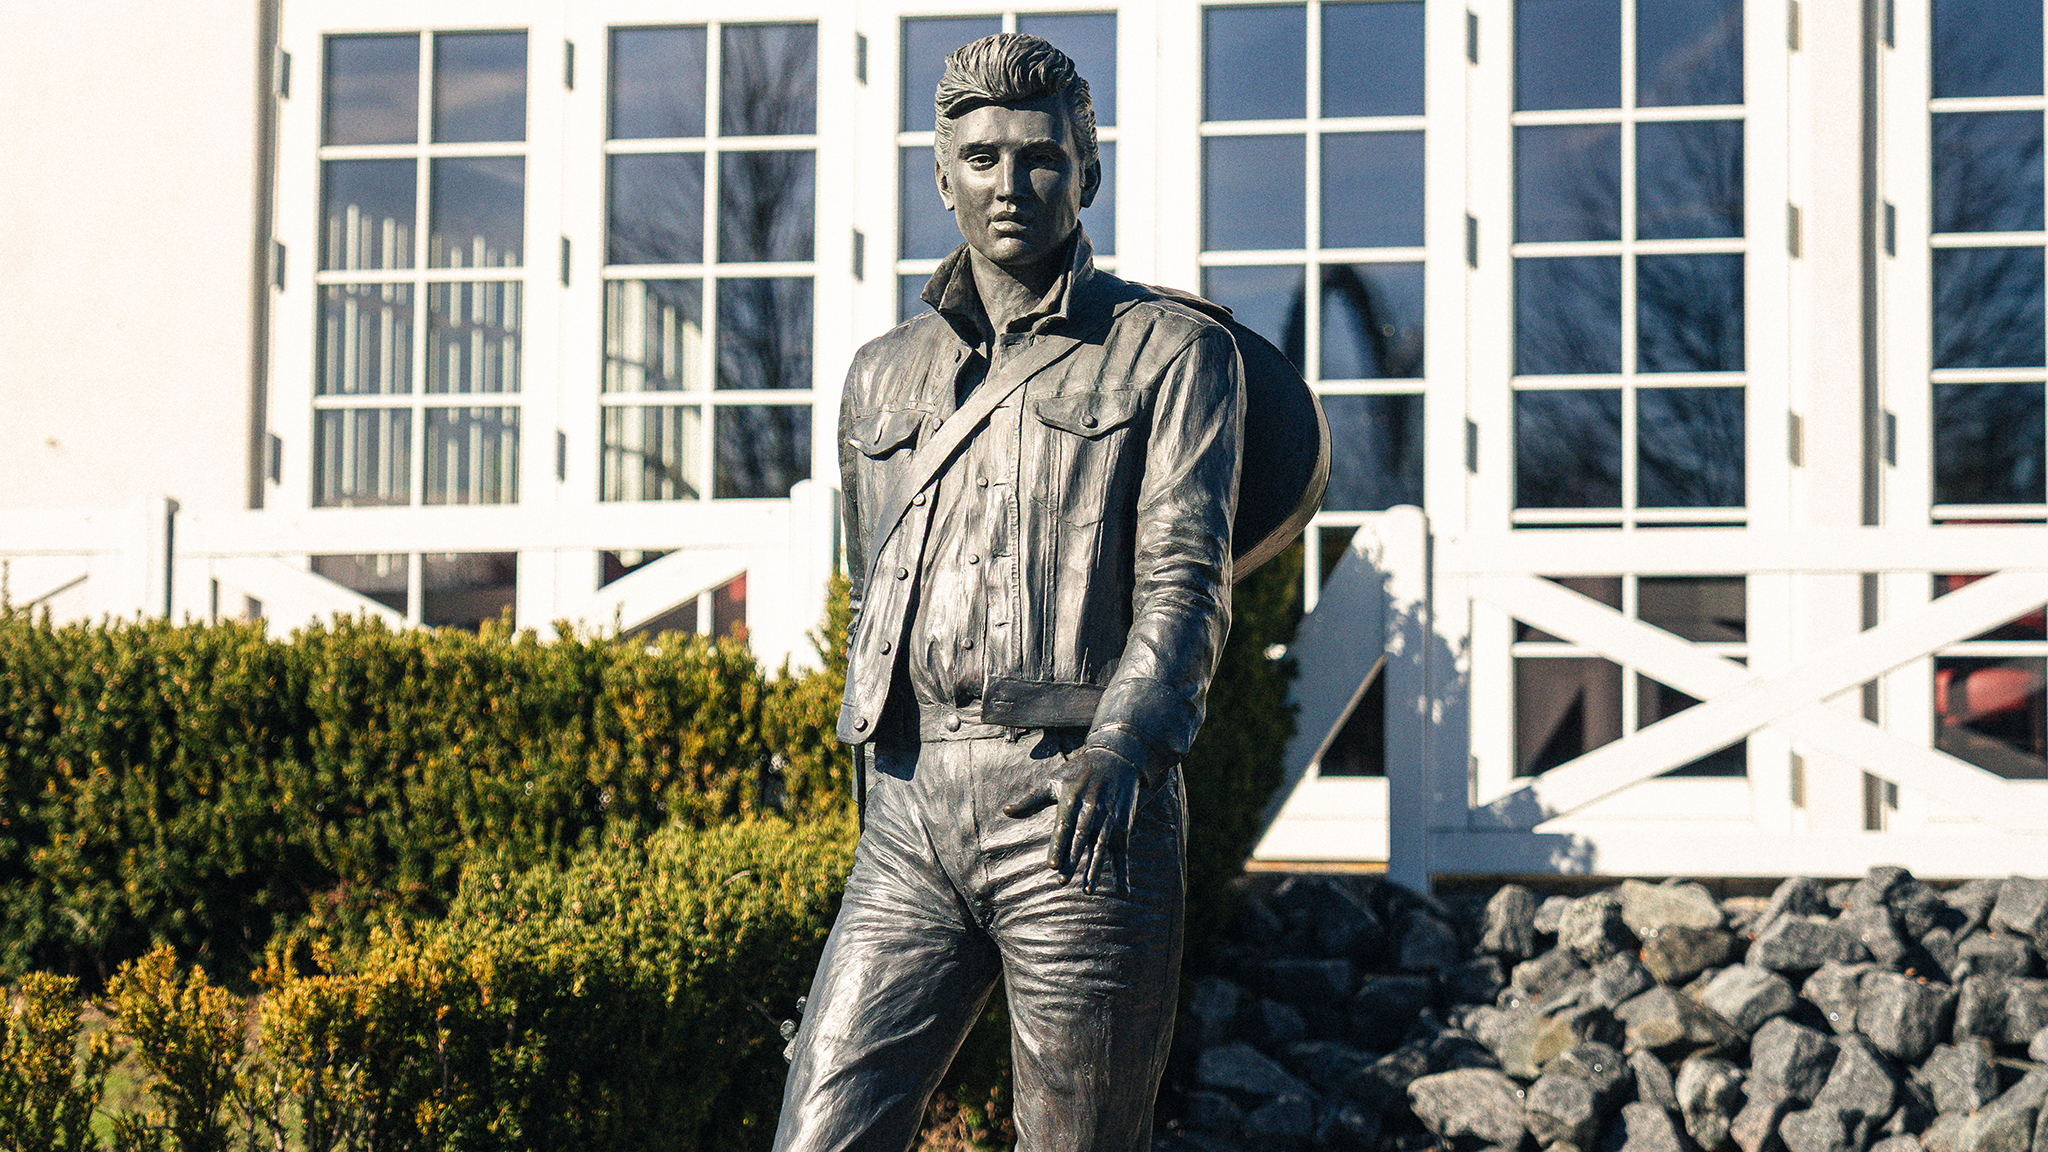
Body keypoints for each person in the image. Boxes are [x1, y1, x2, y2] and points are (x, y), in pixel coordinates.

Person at [773, 32, 1244, 1152]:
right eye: (979, 159)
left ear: (1088, 171)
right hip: (907, 812)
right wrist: (876, 782)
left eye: (1038, 157)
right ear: (941, 178)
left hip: (1076, 806)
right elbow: (868, 598)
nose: (1008, 184)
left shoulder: (1170, 354)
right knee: (818, 1127)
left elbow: (1184, 582)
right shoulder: (880, 374)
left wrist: (1123, 751)